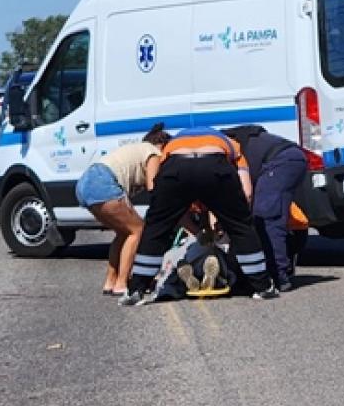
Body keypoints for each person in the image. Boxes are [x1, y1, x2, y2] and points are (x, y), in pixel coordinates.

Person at [121, 126, 279, 306]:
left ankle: (135, 291)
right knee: (242, 228)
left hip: (176, 167)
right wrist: (232, 218)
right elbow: (247, 193)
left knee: (155, 229)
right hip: (215, 166)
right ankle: (263, 287)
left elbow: (163, 193)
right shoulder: (233, 145)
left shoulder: (171, 146)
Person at [74, 124, 172, 296]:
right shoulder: (154, 153)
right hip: (102, 182)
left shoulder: (138, 150)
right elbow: (152, 187)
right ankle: (122, 283)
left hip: (85, 183)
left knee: (123, 233)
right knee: (137, 230)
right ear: (162, 146)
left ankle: (110, 282)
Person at [224, 125, 308, 292]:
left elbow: (241, 195)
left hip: (281, 161)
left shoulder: (220, 151)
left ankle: (278, 276)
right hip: (282, 159)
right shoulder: (222, 143)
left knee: (267, 217)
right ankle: (274, 269)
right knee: (263, 216)